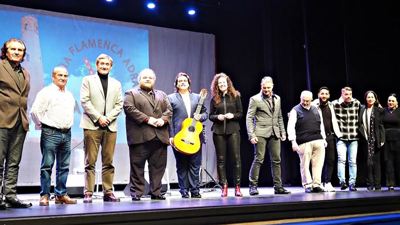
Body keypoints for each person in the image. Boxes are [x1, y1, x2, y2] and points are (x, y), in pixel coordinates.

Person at [30, 66, 77, 206]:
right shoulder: (46, 92)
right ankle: (44, 195)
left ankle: (61, 194)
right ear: (53, 76)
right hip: (51, 132)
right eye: (59, 75)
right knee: (47, 166)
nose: (63, 78)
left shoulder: (69, 94)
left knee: (64, 166)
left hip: (66, 133)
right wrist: (42, 125)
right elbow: (35, 112)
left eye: (65, 75)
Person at [124, 68, 172, 201]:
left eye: (150, 77)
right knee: (137, 167)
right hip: (140, 138)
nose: (147, 79)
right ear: (139, 80)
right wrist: (148, 119)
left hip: (160, 137)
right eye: (145, 77)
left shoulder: (162, 94)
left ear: (154, 80)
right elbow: (129, 108)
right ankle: (137, 193)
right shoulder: (131, 93)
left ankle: (156, 192)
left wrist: (163, 120)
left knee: (158, 167)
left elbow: (169, 110)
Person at [80, 54, 123, 203]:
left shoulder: (116, 83)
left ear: (111, 67)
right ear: (96, 65)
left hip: (110, 127)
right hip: (92, 125)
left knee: (108, 162)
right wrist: (99, 117)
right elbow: (85, 101)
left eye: (107, 64)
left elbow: (119, 104)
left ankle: (108, 192)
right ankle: (88, 192)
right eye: (101, 64)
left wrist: (108, 118)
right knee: (90, 161)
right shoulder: (87, 80)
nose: (104, 66)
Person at [0, 38, 32, 209]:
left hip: (20, 121)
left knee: (13, 162)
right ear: (5, 51)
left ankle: (11, 196)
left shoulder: (26, 73)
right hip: (2, 119)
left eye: (20, 50)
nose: (17, 52)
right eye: (13, 49)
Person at [246, 76, 290, 195]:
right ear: (261, 86)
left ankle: (278, 187)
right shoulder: (255, 99)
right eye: (264, 88)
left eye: (268, 88)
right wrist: (251, 135)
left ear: (272, 86)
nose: (266, 90)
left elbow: (279, 116)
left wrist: (283, 132)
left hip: (274, 133)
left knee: (277, 160)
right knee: (259, 159)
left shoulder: (277, 98)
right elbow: (249, 118)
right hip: (260, 133)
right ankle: (253, 186)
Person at [167, 73, 208, 198]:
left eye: (185, 80)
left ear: (189, 83)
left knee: (195, 165)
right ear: (176, 84)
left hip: (195, 137)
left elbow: (205, 113)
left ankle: (195, 190)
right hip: (179, 137)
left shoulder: (197, 97)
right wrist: (171, 136)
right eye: (180, 81)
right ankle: (184, 190)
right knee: (181, 165)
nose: (182, 82)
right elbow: (169, 119)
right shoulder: (171, 98)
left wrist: (201, 117)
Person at [209, 73, 243, 197]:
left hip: (233, 129)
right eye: (220, 83)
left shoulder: (235, 96)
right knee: (221, 160)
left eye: (224, 83)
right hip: (218, 131)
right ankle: (224, 186)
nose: (222, 85)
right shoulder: (214, 98)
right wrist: (217, 116)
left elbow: (240, 113)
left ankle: (237, 187)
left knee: (236, 159)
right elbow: (210, 116)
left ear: (228, 84)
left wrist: (232, 115)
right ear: (217, 85)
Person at [287, 91, 326, 193]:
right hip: (304, 141)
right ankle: (307, 184)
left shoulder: (316, 109)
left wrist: (324, 139)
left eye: (307, 101)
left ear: (311, 100)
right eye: (303, 100)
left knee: (318, 164)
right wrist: (293, 141)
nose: (305, 102)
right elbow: (291, 127)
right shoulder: (295, 110)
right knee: (304, 164)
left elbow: (321, 125)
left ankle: (316, 184)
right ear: (300, 98)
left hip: (318, 139)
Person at [311, 87, 342, 192]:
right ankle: (317, 183)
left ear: (329, 95)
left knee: (331, 160)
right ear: (318, 94)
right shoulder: (314, 106)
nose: (324, 96)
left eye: (326, 94)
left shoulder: (331, 105)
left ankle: (327, 182)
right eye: (322, 94)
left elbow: (345, 100)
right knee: (319, 161)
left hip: (330, 136)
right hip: (318, 136)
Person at [332, 87, 361, 191]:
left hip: (353, 137)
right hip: (341, 137)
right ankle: (342, 181)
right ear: (342, 94)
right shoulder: (335, 104)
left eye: (350, 94)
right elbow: (321, 105)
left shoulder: (356, 103)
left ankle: (352, 183)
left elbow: (365, 109)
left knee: (352, 161)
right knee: (342, 160)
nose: (348, 96)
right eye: (346, 94)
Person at [358, 91, 385, 191]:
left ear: (375, 98)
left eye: (372, 97)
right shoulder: (362, 109)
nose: (370, 99)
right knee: (368, 163)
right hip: (365, 140)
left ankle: (377, 184)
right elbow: (360, 124)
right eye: (368, 97)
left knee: (376, 162)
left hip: (376, 139)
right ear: (365, 98)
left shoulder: (379, 110)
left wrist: (382, 139)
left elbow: (381, 126)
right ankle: (370, 183)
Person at [383, 93, 400, 191]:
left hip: (398, 139)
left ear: (396, 102)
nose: (391, 102)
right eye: (389, 100)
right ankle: (390, 183)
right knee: (389, 162)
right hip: (386, 139)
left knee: (398, 161)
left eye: (393, 101)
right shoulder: (383, 111)